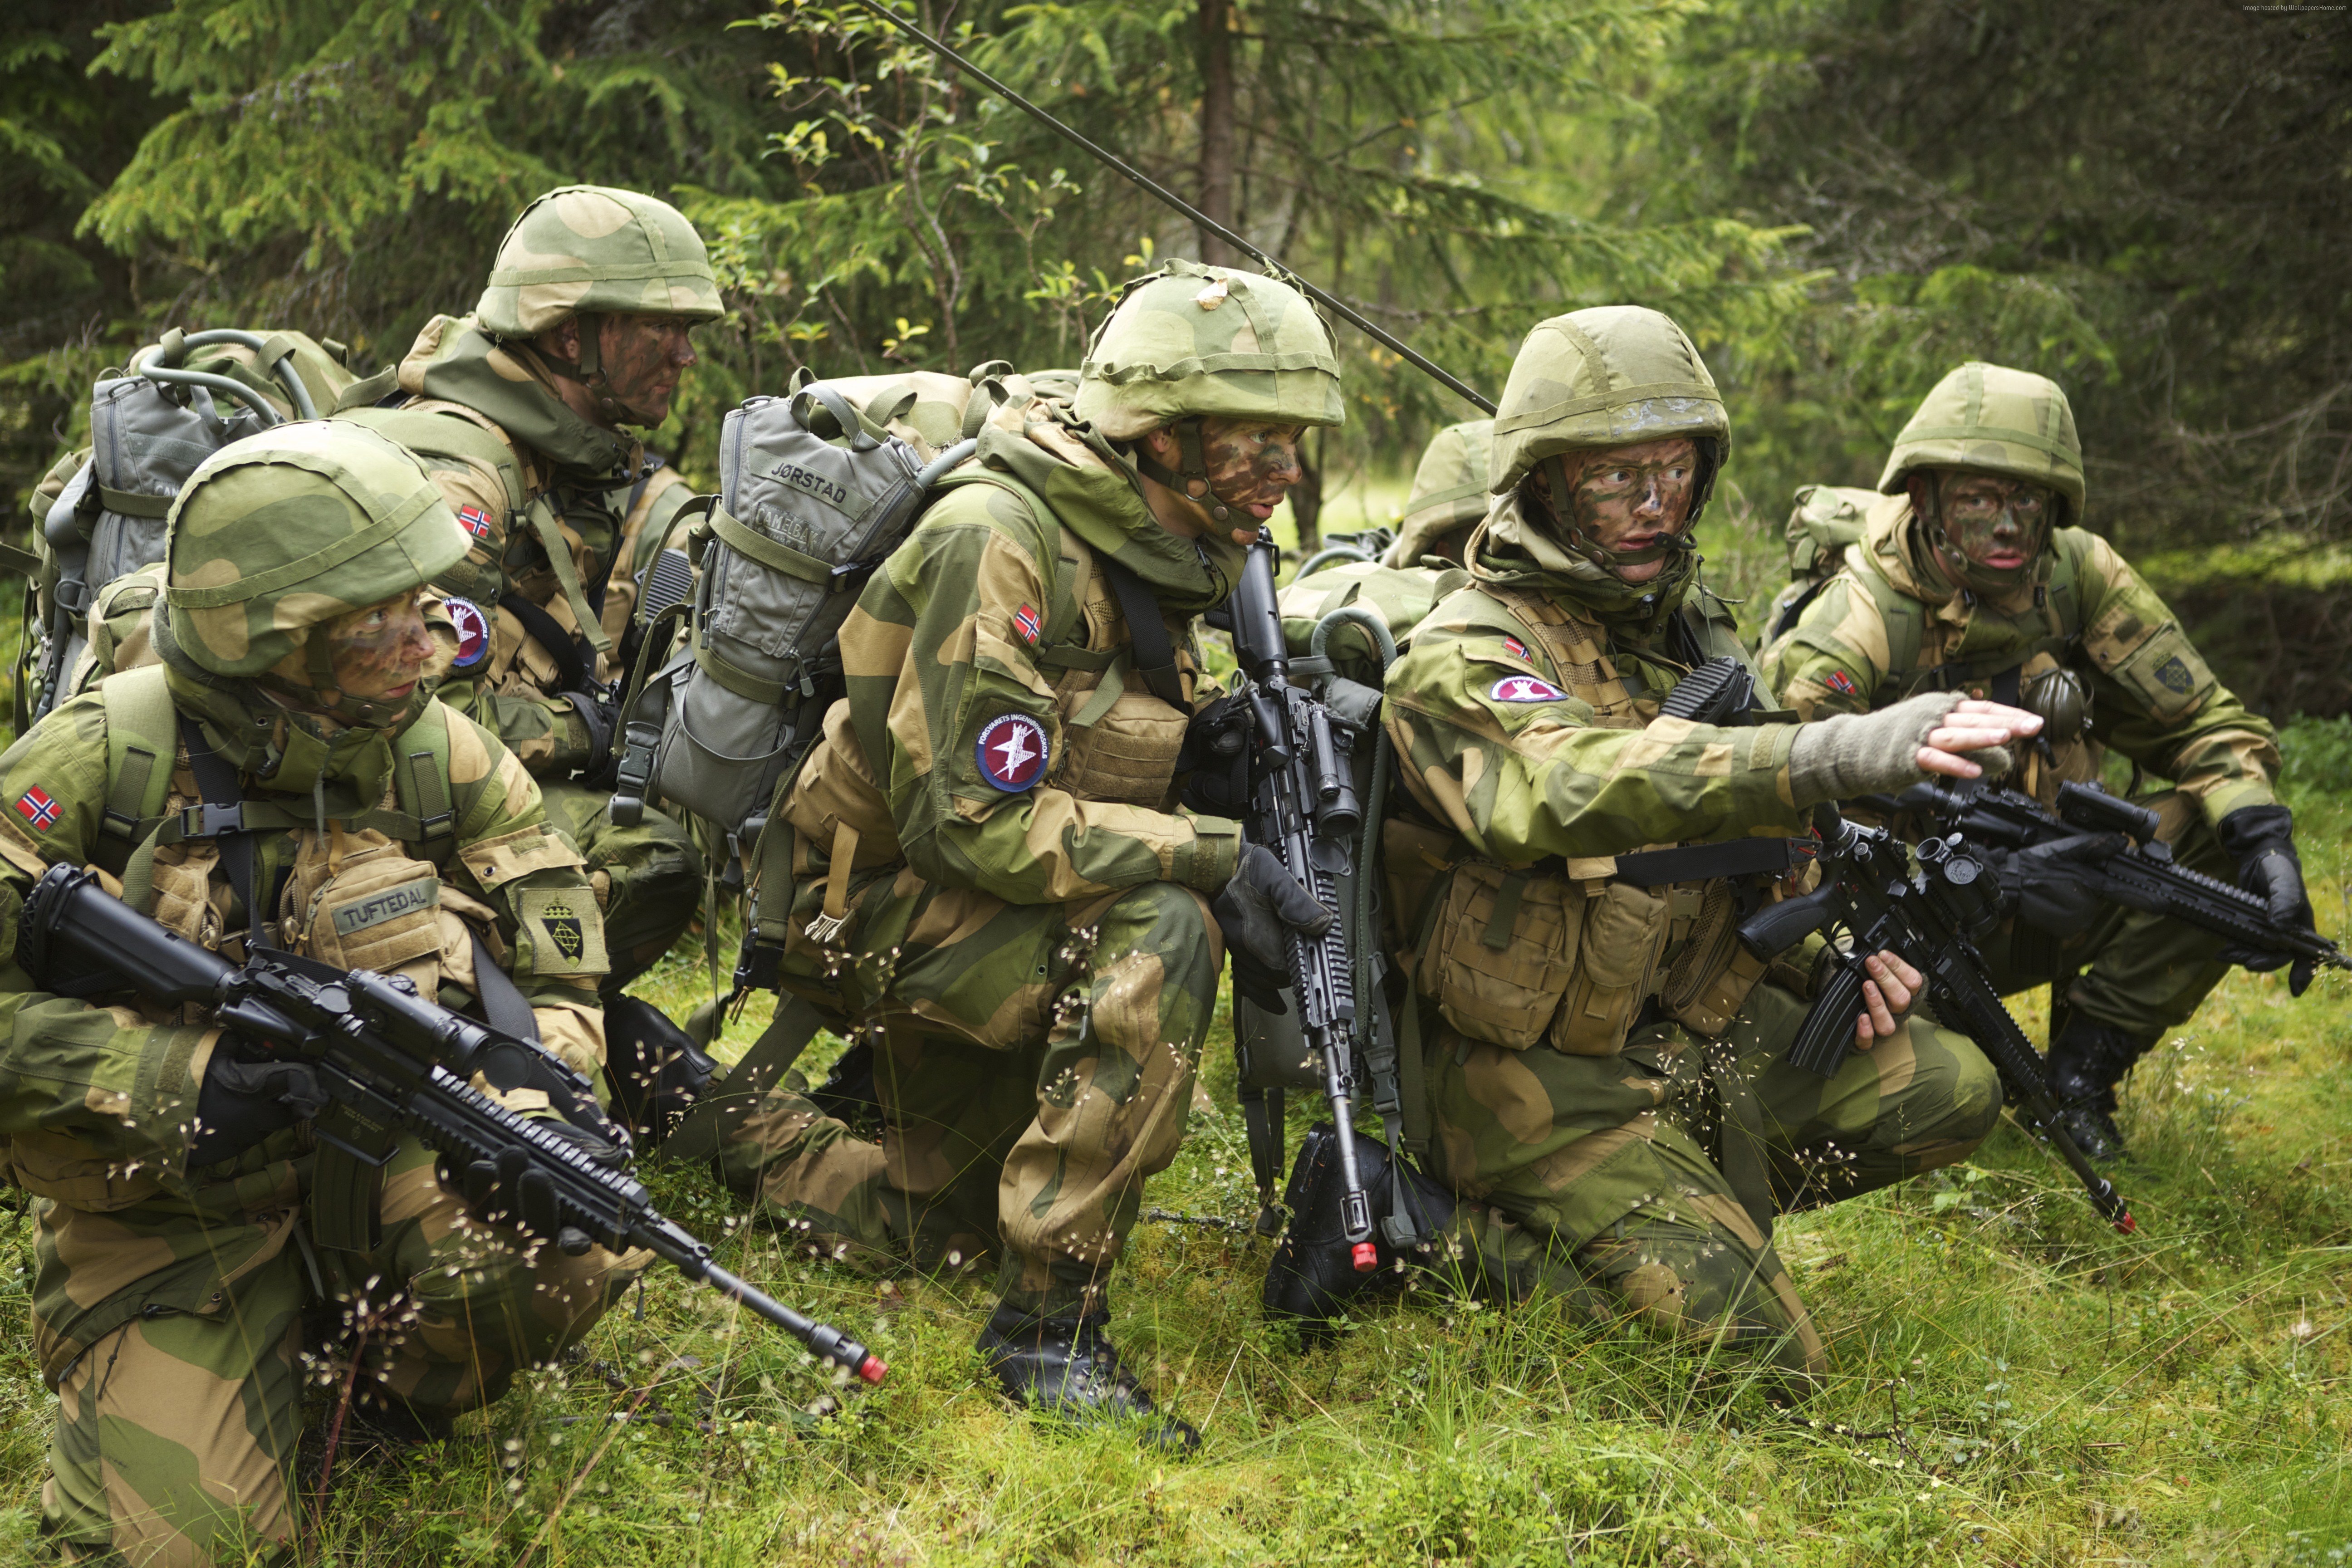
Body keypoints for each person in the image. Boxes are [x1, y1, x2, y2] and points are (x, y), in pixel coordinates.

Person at [1275, 306, 2044, 1383]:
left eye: (1677, 473)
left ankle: (1677, 1205)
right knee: (1773, 1374)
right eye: (1616, 480)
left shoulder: (1692, 624)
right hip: (1521, 1078)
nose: (1655, 506)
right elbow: (1565, 783)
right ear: (1542, 483)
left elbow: (1768, 839)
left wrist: (1837, 960)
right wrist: (1843, 749)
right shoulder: (1470, 646)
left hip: (1679, 1029)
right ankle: (1429, 1225)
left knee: (1950, 1087)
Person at [701, 260, 1343, 1448]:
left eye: (1294, 446)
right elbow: (971, 821)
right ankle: (1048, 1334)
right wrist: (1204, 849)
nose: (1284, 477)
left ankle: (709, 1113)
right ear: (1159, 434)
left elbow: (1081, 739)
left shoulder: (1170, 535)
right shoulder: (998, 538)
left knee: (932, 1222)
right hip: (877, 908)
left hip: (981, 906)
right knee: (1167, 925)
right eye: (1257, 446)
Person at [0, 421, 640, 1565]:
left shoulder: (441, 754)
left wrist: (539, 1091)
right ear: (266, 645)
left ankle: (370, 1387)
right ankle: (213, 1372)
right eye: (371, 628)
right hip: (171, 1200)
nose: (421, 645)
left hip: (381, 1149)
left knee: (571, 1241)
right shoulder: (100, 763)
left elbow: (559, 966)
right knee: (189, 1553)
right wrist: (175, 1076)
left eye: (424, 608)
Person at [1756, 363, 2308, 1158]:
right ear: (1925, 497)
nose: (2009, 527)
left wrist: (2264, 840)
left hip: (2065, 879)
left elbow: (2202, 721)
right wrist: (1978, 876)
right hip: (1899, 929)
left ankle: (2080, 1079)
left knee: (2218, 833)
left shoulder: (2078, 575)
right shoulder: (1861, 618)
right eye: (1979, 500)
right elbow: (1777, 807)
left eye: (2028, 502)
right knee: (1929, 1079)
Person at [334, 184, 716, 1010]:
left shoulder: (562, 456)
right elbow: (413, 718)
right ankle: (488, 1031)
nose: (686, 356)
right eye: (663, 328)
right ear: (569, 331)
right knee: (647, 856)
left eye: (690, 332)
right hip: (360, 792)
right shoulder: (463, 474)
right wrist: (590, 729)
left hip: (420, 776)